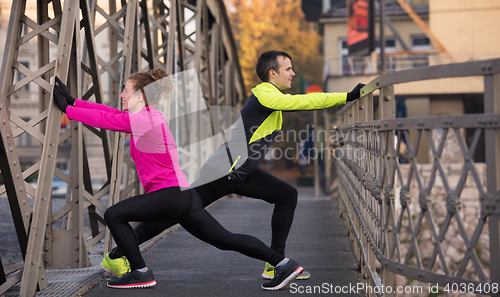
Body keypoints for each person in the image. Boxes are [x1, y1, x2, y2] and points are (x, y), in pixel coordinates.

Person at [101, 51, 364, 281]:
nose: (293, 73)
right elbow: (303, 102)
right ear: (272, 74)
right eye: (288, 69)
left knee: (287, 195)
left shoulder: (272, 96)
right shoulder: (264, 93)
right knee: (178, 214)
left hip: (239, 171)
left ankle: (276, 264)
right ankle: (118, 255)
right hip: (225, 170)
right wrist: (347, 96)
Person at [52, 70, 304, 290]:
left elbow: (109, 120)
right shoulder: (148, 117)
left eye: (125, 91)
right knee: (224, 239)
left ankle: (140, 272)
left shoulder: (145, 119)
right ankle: (282, 263)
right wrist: (75, 102)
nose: (121, 95)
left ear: (140, 95)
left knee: (114, 215)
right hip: (184, 196)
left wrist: (69, 111)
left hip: (169, 195)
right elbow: (110, 113)